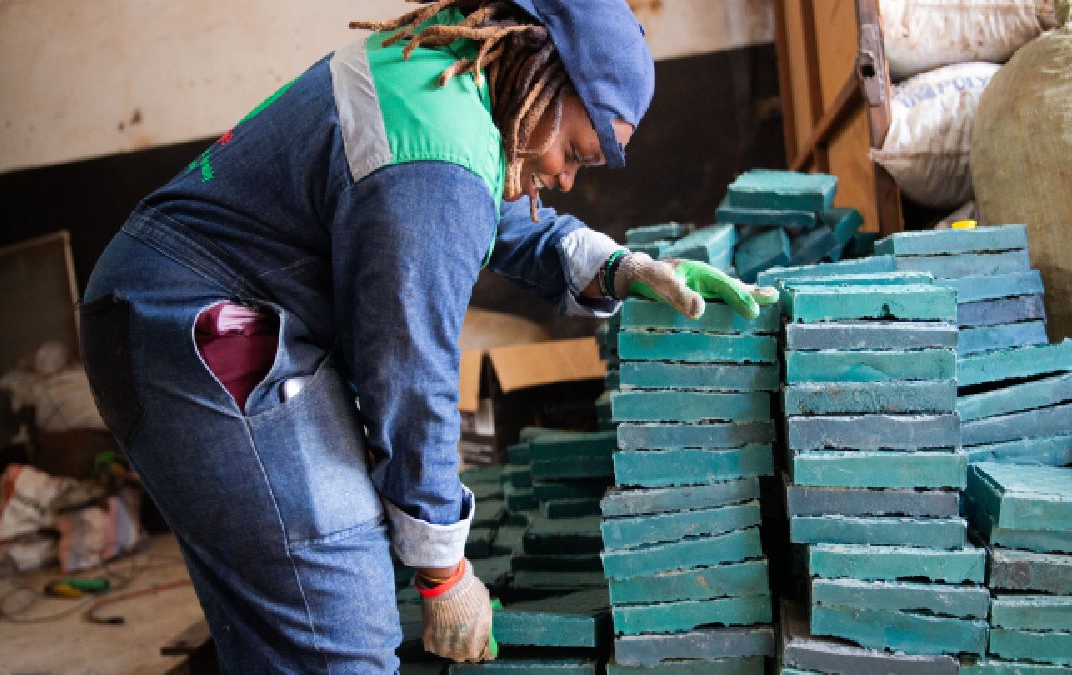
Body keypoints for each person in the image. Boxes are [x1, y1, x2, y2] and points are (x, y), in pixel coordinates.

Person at [78, 0, 774, 671]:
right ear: (541, 72)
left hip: (160, 306)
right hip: (191, 329)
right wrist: (445, 573)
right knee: (340, 637)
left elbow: (490, 213)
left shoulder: (445, 83)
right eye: (574, 152)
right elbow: (410, 375)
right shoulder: (436, 159)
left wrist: (624, 267)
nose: (564, 179)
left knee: (299, 620)